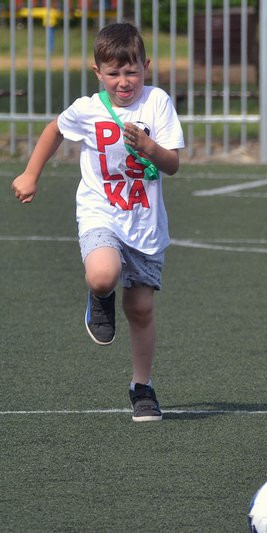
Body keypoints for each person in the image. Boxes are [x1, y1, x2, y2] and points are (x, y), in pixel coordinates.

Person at [11, 22, 184, 422]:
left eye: (132, 71)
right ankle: (99, 296)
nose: (124, 82)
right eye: (113, 73)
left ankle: (142, 387)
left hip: (144, 222)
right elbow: (55, 129)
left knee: (140, 308)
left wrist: (149, 147)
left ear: (147, 66)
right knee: (104, 274)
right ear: (97, 72)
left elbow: (172, 164)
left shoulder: (157, 103)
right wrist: (31, 174)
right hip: (101, 210)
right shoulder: (88, 108)